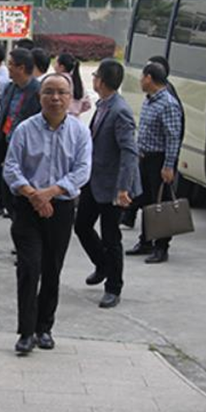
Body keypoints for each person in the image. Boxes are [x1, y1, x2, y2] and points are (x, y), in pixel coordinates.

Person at [3, 73, 91, 354]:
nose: (55, 98)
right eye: (49, 92)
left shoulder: (80, 132)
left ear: (70, 97)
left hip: (61, 209)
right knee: (29, 268)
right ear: (39, 96)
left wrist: (50, 193)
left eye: (62, 93)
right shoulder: (25, 130)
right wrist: (33, 195)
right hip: (27, 209)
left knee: (52, 270)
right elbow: (11, 168)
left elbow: (82, 171)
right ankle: (26, 332)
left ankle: (45, 328)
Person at [74, 59, 141, 309]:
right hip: (94, 180)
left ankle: (113, 287)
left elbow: (129, 152)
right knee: (81, 225)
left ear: (101, 80)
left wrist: (123, 188)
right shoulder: (103, 105)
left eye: (95, 76)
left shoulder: (119, 110)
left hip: (114, 186)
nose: (93, 80)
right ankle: (102, 264)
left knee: (111, 237)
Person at [125, 61, 183, 264]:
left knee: (162, 203)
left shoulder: (168, 103)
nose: (140, 81)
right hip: (146, 158)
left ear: (149, 78)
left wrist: (168, 165)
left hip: (159, 160)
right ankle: (146, 241)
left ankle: (161, 246)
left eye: (142, 77)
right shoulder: (149, 100)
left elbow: (173, 137)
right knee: (147, 201)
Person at [0, 48, 41, 224]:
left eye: (11, 65)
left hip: (27, 150)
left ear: (21, 68)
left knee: (22, 195)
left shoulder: (38, 91)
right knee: (6, 191)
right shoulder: (10, 88)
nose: (8, 68)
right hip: (6, 143)